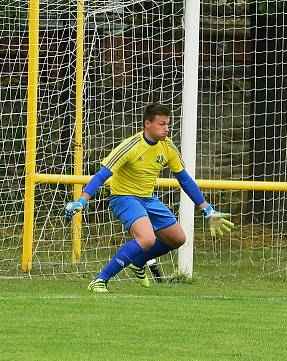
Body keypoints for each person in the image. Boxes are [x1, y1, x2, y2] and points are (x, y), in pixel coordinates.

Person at [64, 103, 234, 293]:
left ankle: (138, 261)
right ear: (147, 124)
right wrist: (82, 200)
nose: (166, 129)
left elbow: (184, 179)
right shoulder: (131, 146)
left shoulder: (167, 146)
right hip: (124, 197)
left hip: (148, 198)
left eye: (168, 124)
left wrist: (207, 210)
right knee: (147, 239)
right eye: (162, 124)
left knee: (177, 238)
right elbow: (102, 175)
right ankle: (100, 280)